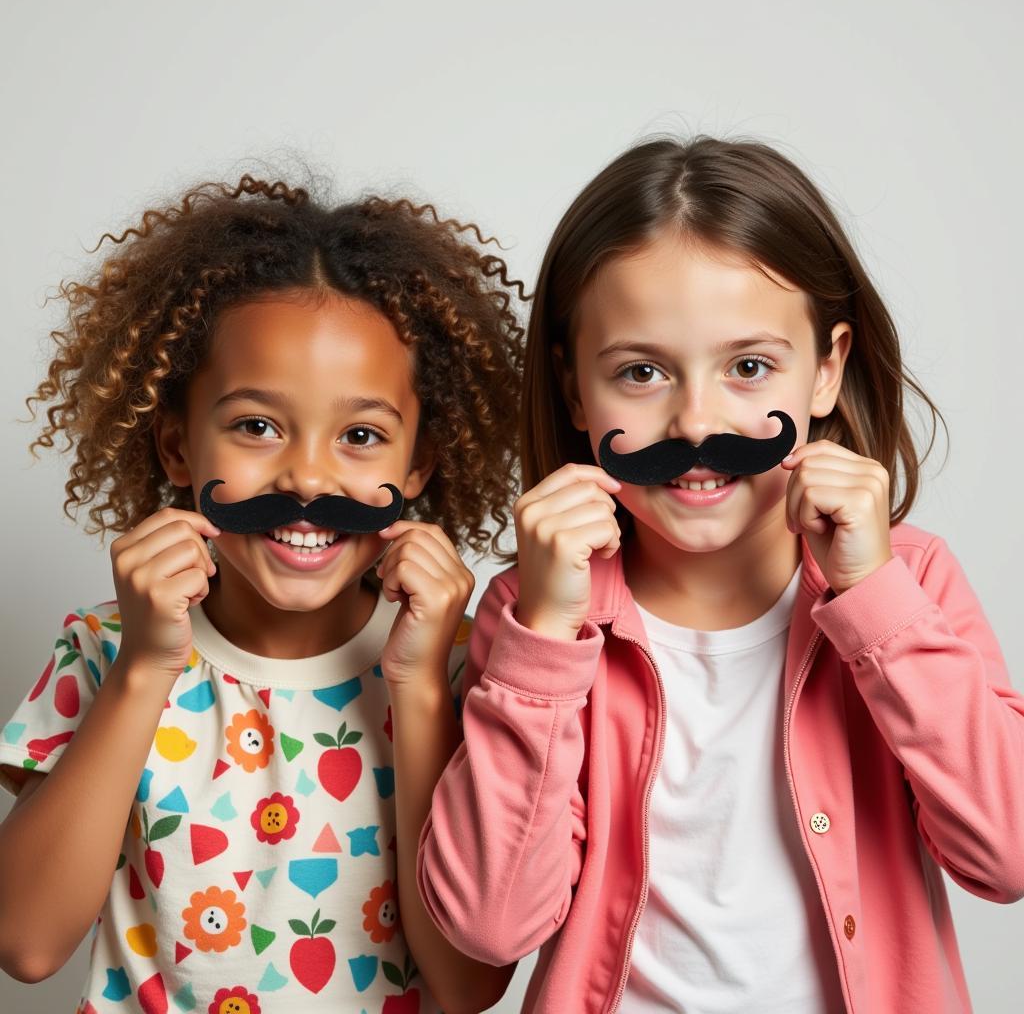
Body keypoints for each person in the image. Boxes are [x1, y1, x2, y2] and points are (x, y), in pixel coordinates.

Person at [416, 137, 1024, 1013]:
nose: (695, 419)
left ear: (827, 369)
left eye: (748, 367)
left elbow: (1005, 857)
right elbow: (491, 924)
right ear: (575, 389)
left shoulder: (910, 581)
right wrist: (543, 642)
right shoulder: (536, 613)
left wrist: (875, 600)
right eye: (640, 372)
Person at [0, 174, 523, 1014]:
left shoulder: (467, 666)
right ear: (178, 446)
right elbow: (26, 944)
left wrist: (421, 688)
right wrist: (143, 668)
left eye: (360, 436)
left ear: (417, 466)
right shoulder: (106, 651)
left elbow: (468, 985)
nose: (308, 476)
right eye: (257, 426)